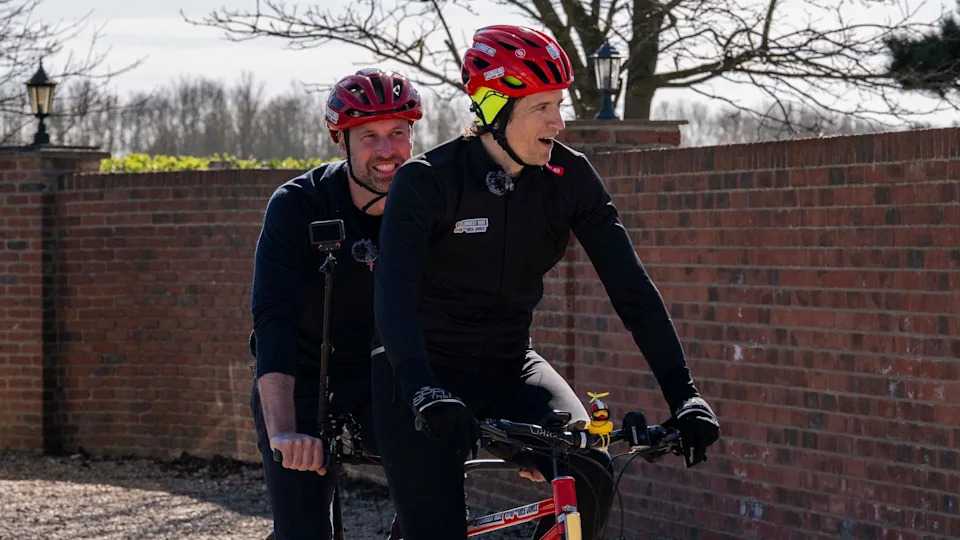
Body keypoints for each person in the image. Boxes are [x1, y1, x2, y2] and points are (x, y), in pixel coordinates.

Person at [371, 25, 720, 540]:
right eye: (541, 108)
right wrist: (423, 389)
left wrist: (685, 395)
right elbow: (393, 297)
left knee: (591, 469)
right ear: (493, 106)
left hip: (511, 365)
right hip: (422, 373)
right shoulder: (427, 181)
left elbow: (631, 289)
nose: (558, 122)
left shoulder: (570, 177)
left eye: (559, 105)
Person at [249, 68, 422, 540]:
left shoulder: (432, 204)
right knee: (304, 530)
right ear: (339, 141)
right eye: (369, 137)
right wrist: (284, 430)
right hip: (305, 378)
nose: (387, 151)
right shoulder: (298, 204)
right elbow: (273, 320)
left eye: (398, 134)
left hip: (386, 378)